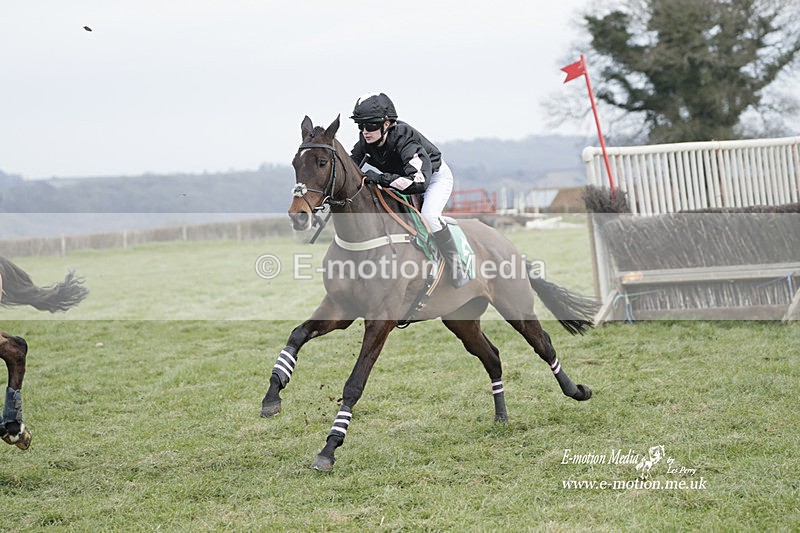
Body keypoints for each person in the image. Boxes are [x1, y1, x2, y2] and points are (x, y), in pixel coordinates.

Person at [349, 92, 468, 288]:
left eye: (370, 125)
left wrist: (380, 178)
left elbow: (418, 182)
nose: (365, 131)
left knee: (429, 216)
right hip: (404, 179)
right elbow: (350, 169)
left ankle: (457, 266)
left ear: (386, 124)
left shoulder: (405, 139)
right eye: (360, 126)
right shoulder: (366, 141)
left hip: (432, 178)